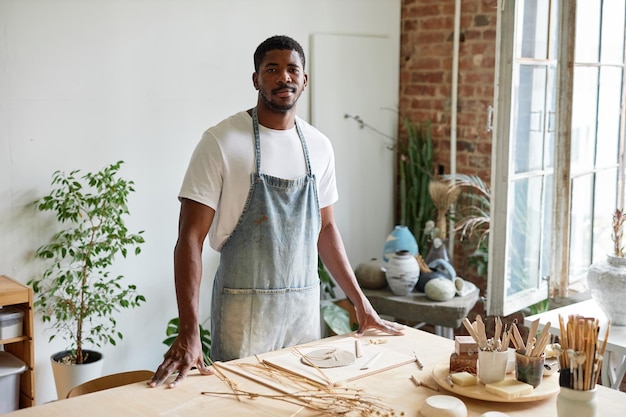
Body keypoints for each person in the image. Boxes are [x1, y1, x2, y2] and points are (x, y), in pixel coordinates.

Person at [148, 35, 404, 389]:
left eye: (292, 69)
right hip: (243, 312)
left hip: (303, 311)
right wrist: (189, 330)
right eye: (272, 69)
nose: (284, 77)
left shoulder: (319, 146)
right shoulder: (222, 141)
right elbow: (189, 239)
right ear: (256, 79)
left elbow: (326, 230)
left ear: (304, 80)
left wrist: (361, 303)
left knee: (301, 400)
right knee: (241, 402)